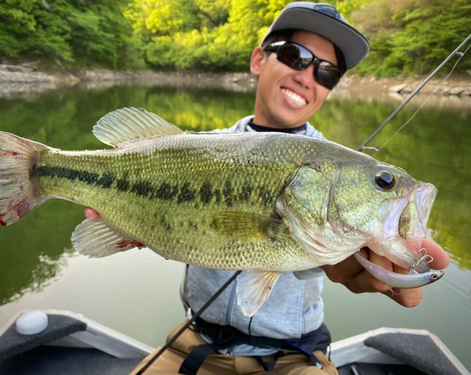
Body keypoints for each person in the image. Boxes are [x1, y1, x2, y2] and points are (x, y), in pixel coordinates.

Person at [86, 2, 450, 374]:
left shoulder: (338, 166)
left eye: (327, 72)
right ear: (259, 59)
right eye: (295, 56)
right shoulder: (191, 147)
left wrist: (348, 259)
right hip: (191, 343)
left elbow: (309, 252)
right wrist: (126, 222)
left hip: (294, 356)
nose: (308, 76)